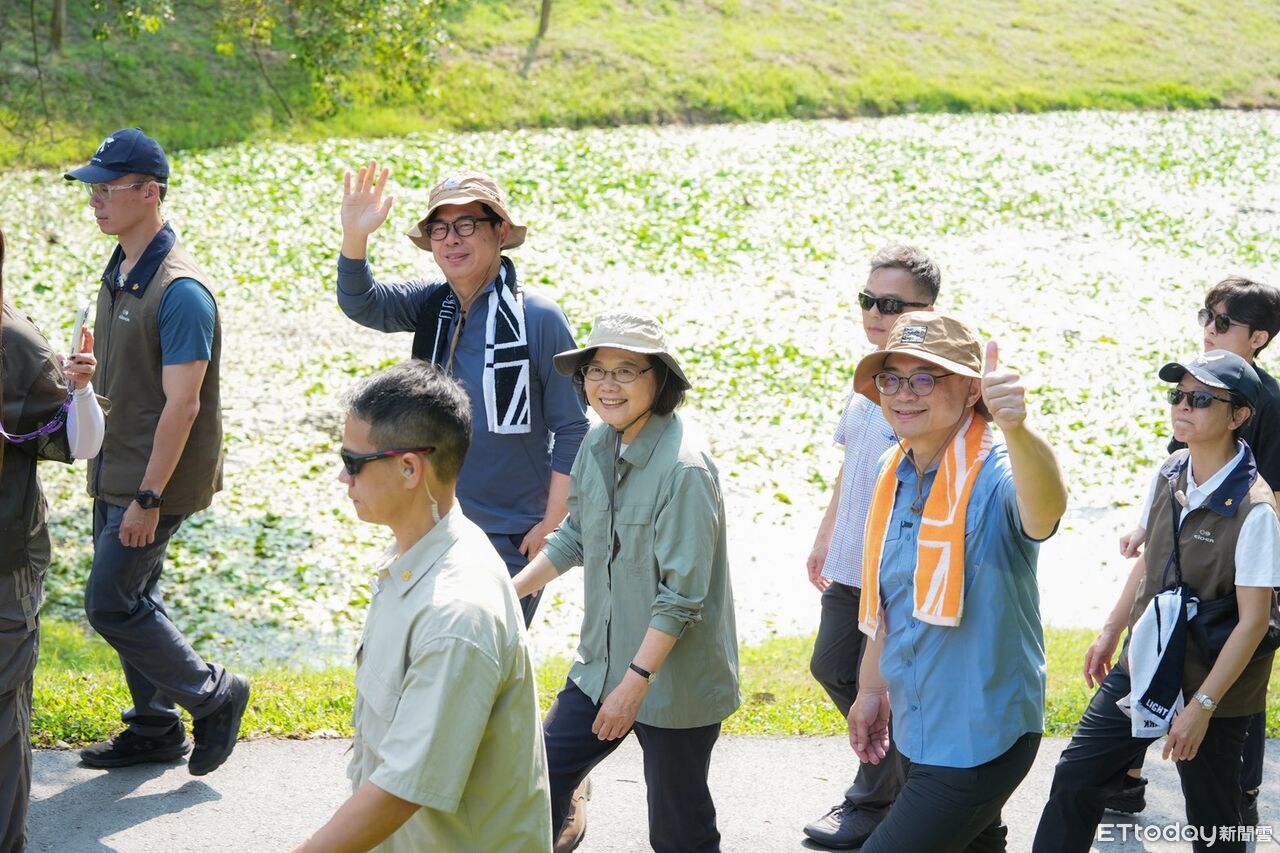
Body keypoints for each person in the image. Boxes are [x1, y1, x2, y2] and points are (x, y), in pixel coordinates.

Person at [295, 361, 551, 852]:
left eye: (353, 462)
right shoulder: (417, 556)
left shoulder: (457, 613)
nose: (342, 477)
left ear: (409, 467)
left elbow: (401, 790)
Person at [1034, 351, 1280, 853]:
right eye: (1179, 396)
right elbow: (1152, 560)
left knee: (1213, 819)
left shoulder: (1256, 511)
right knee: (1077, 776)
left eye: (1201, 399)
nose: (1183, 407)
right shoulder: (1171, 470)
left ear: (1239, 417)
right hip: (1147, 656)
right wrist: (1109, 631)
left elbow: (1254, 622)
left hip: (1215, 679)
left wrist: (1202, 707)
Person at [513, 311, 740, 853]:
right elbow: (573, 538)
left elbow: (682, 598)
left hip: (670, 682)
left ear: (659, 380)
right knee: (533, 783)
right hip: (600, 667)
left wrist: (635, 684)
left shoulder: (685, 469)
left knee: (679, 826)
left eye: (626, 371)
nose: (606, 385)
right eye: (596, 371)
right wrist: (503, 592)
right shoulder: (597, 443)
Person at [63, 129, 250, 776]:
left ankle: (213, 693)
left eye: (107, 188)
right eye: (92, 187)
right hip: (113, 467)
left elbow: (184, 405)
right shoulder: (120, 269)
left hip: (152, 479)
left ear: (151, 192)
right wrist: (88, 375)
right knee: (134, 596)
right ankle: (155, 726)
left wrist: (149, 497)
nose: (95, 199)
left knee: (110, 601)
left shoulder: (181, 291)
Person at [846, 312, 1068, 852]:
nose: (903, 394)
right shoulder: (890, 469)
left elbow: (1044, 514)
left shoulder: (993, 471)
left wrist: (1018, 428)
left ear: (972, 391)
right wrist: (873, 688)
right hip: (919, 724)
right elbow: (890, 596)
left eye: (925, 378)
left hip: (978, 738)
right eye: (891, 378)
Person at [335, 162, 588, 625]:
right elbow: (362, 302)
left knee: (484, 658)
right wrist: (356, 237)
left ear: (500, 230)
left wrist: (552, 525)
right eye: (440, 228)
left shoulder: (540, 319)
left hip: (511, 533)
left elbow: (572, 428)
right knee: (425, 652)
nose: (452, 239)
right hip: (429, 520)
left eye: (467, 224)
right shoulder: (432, 304)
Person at [1106, 277, 1280, 820]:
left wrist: (1258, 561)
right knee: (1158, 655)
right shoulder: (1195, 385)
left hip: (1246, 562)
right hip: (1188, 559)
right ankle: (1127, 777)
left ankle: (1239, 800)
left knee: (1233, 687)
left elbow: (1271, 497)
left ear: (1259, 337)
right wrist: (1149, 527)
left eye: (1223, 322)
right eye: (1205, 316)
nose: (1208, 328)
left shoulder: (1268, 403)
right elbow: (1177, 473)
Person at [803, 245, 940, 850]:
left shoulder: (930, 388)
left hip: (900, 568)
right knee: (832, 666)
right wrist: (826, 533)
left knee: (894, 684)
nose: (874, 313)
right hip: (851, 560)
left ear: (927, 308)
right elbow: (851, 465)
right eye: (868, 300)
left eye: (889, 303)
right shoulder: (871, 379)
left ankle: (881, 799)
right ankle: (895, 789)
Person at [0, 227, 104, 852]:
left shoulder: (14, 345)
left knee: (2, 718)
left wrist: (83, 389)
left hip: (4, 566)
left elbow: (79, 442)